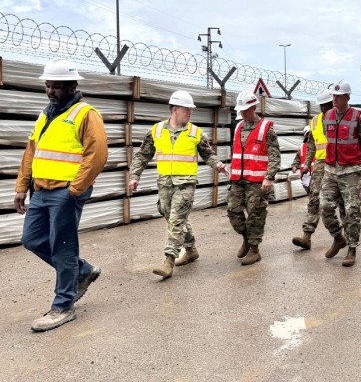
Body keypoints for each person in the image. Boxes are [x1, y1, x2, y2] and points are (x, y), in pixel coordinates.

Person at [14, 59, 108, 332]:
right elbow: (32, 152)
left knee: (63, 245)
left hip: (65, 192)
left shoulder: (86, 114)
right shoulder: (46, 115)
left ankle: (63, 306)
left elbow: (97, 155)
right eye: (48, 85)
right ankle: (82, 270)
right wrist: (22, 186)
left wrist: (74, 190)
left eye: (57, 86)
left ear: (72, 86)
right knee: (31, 240)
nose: (50, 91)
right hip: (41, 191)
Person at [128, 90, 227, 278]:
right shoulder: (156, 131)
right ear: (175, 109)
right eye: (186, 109)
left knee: (176, 220)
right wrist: (134, 176)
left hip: (186, 184)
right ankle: (191, 250)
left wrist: (218, 165)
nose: (190, 113)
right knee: (171, 216)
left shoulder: (195, 132)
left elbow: (208, 154)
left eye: (191, 110)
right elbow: (142, 155)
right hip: (165, 183)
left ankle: (168, 261)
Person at [320, 80, 361, 267]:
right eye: (334, 96)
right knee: (325, 206)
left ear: (348, 97)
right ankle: (338, 237)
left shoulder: (358, 117)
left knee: (351, 211)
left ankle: (352, 248)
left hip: (351, 170)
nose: (335, 99)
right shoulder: (326, 116)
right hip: (331, 170)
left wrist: (360, 163)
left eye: (339, 96)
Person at [224, 91, 281, 264]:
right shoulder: (239, 126)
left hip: (257, 181)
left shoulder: (266, 128)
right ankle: (247, 239)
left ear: (253, 107)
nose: (242, 114)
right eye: (240, 111)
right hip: (238, 180)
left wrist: (269, 177)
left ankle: (254, 250)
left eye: (245, 110)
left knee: (256, 214)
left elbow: (274, 155)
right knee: (233, 211)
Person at [292, 89, 336, 250]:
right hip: (320, 164)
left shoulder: (342, 118)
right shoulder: (315, 121)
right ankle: (307, 235)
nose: (325, 109)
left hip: (340, 164)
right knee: (314, 199)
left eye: (328, 105)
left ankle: (343, 236)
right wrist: (305, 165)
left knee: (340, 204)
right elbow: (311, 146)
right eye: (322, 106)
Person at [292, 125, 312, 195]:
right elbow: (297, 158)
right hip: (305, 175)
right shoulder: (302, 146)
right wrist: (295, 166)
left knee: (316, 194)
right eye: (307, 134)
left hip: (316, 174)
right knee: (309, 194)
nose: (309, 136)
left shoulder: (317, 144)